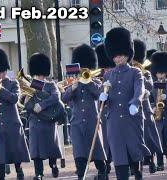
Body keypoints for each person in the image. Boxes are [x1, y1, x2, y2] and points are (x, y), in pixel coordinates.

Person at [99, 27, 151, 180]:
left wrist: (135, 103)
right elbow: (106, 97)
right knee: (118, 154)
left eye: (121, 55)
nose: (118, 59)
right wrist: (103, 97)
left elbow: (139, 89)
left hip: (131, 117)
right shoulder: (108, 74)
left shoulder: (135, 72)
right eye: (115, 56)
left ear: (127, 54)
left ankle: (138, 173)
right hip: (114, 120)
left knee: (134, 151)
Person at [62, 44, 107, 180]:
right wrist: (73, 88)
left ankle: (102, 172)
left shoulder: (95, 82)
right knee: (79, 152)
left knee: (97, 152)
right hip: (76, 122)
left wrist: (89, 82)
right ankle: (81, 175)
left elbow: (99, 95)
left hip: (92, 122)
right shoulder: (72, 82)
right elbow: (64, 98)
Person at [0, 48, 31, 180]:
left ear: (5, 70)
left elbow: (14, 98)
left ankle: (19, 171)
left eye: (0, 72)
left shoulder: (13, 83)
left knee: (15, 151)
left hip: (12, 122)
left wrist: (0, 89)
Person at [27, 53, 62, 180]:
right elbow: (25, 101)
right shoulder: (30, 84)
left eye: (40, 74)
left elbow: (56, 97)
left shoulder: (50, 84)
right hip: (35, 122)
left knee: (50, 147)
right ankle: (39, 173)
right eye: (37, 74)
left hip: (47, 121)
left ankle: (53, 165)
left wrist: (42, 105)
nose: (39, 76)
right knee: (36, 150)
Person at [132, 40, 163, 174]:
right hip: (133, 109)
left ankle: (151, 161)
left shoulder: (146, 73)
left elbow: (150, 86)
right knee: (134, 138)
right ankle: (135, 165)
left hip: (145, 108)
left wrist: (141, 73)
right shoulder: (129, 72)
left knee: (149, 138)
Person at [149, 51, 167, 172]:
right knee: (159, 142)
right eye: (158, 73)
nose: (160, 75)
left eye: (162, 73)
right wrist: (153, 107)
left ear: (166, 72)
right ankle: (160, 163)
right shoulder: (153, 86)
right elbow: (151, 99)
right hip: (158, 118)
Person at [95, 43, 116, 174]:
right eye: (105, 68)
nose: (107, 70)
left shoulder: (116, 74)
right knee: (105, 141)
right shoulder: (97, 77)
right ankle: (106, 163)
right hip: (102, 113)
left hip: (114, 111)